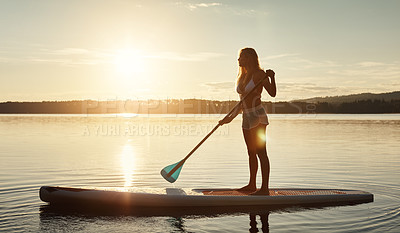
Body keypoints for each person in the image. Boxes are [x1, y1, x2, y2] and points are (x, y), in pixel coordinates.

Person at [219, 47, 276, 195]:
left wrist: (272, 77)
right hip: (246, 117)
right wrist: (229, 119)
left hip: (258, 116)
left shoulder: (259, 75)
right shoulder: (242, 77)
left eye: (241, 57)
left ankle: (264, 189)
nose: (238, 60)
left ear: (249, 58)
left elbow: (273, 93)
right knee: (251, 152)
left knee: (261, 152)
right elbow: (241, 104)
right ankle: (252, 185)